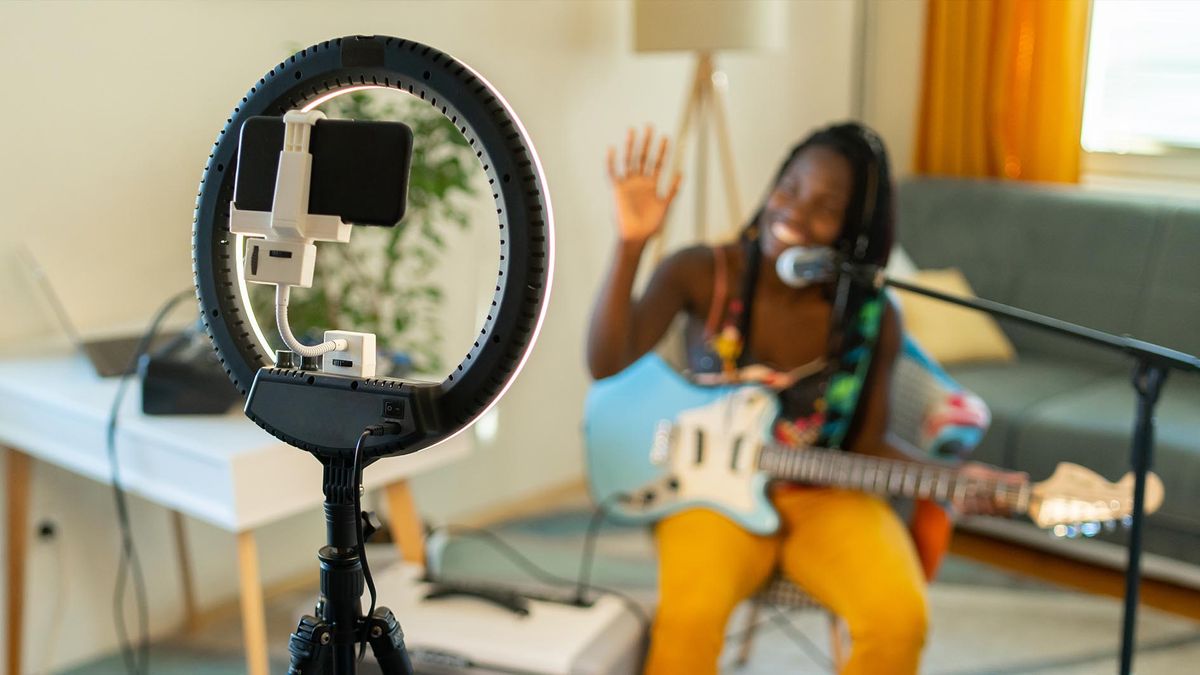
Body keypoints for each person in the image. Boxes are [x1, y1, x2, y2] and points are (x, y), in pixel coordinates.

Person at [586, 122, 1021, 674]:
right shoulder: (703, 272)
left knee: (899, 620)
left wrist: (952, 481)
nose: (792, 212)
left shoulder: (874, 317)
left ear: (853, 230)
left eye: (824, 206)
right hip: (709, 495)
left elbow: (866, 444)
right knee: (689, 619)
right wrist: (631, 244)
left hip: (827, 495)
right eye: (789, 188)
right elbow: (607, 365)